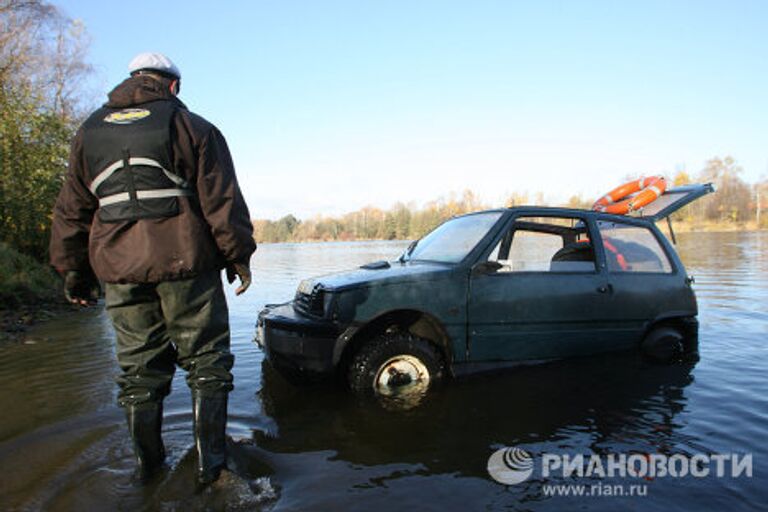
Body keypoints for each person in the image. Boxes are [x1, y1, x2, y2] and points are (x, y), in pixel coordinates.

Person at [49, 52, 256, 486]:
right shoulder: (193, 127)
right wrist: (237, 256)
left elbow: (72, 209)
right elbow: (222, 203)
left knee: (138, 372)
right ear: (173, 86)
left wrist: (74, 272)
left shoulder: (87, 132)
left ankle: (147, 473)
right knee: (207, 363)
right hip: (186, 264)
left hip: (119, 269)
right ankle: (211, 470)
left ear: (131, 80)